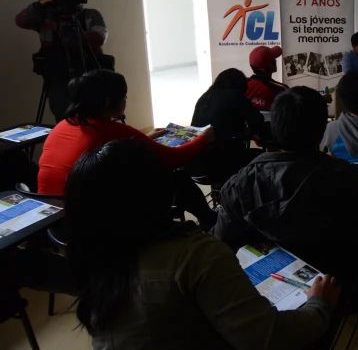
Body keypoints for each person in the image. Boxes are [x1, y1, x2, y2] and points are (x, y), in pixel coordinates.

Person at [66, 138, 340, 350]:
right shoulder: (196, 254)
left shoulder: (94, 255)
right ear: (163, 194)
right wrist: (319, 304)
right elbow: (268, 338)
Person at [214, 86, 358, 275]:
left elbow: (220, 244)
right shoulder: (345, 175)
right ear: (322, 133)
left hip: (268, 289)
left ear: (274, 130)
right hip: (335, 281)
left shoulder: (240, 184)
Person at [36, 69, 217, 229]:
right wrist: (203, 138)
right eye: (124, 96)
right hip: (92, 222)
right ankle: (210, 221)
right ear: (109, 102)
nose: (125, 101)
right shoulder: (111, 130)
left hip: (54, 218)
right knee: (177, 178)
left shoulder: (62, 126)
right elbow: (176, 157)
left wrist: (145, 137)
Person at [16, 0, 110, 121]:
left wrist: (61, 30)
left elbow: (99, 38)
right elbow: (21, 21)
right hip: (56, 73)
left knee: (96, 112)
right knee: (64, 114)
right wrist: (40, 4)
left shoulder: (91, 15)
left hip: (89, 70)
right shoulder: (45, 15)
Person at [191, 68, 265, 178]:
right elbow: (258, 120)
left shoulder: (204, 97)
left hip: (197, 164)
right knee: (263, 158)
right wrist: (246, 131)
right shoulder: (235, 95)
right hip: (222, 164)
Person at [246, 46, 332, 113]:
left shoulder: (243, 86)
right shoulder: (280, 89)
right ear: (271, 65)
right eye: (274, 59)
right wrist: (321, 100)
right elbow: (301, 104)